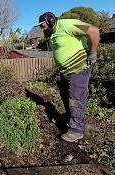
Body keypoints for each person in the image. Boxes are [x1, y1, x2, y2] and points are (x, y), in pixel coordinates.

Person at [35, 12, 100, 142]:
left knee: (76, 98)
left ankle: (76, 130)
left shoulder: (67, 24)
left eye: (43, 26)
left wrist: (93, 53)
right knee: (65, 94)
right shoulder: (54, 33)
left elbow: (93, 30)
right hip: (66, 72)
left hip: (79, 69)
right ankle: (70, 117)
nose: (42, 29)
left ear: (51, 21)